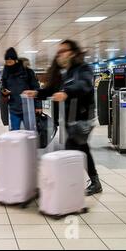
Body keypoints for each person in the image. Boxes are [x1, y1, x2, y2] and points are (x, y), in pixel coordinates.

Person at [23, 39, 102, 196]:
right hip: (69, 118)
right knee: (82, 149)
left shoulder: (83, 69)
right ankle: (93, 181)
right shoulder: (63, 72)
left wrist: (66, 92)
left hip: (82, 118)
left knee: (71, 148)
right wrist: (37, 93)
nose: (60, 55)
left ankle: (67, 186)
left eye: (63, 51)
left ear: (72, 53)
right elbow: (51, 89)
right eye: (58, 52)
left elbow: (84, 85)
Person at [0, 47, 42, 130]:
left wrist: (38, 106)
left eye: (10, 62)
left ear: (16, 60)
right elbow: (3, 88)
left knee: (30, 132)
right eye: (7, 62)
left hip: (28, 108)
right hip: (14, 109)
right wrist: (4, 93)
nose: (9, 64)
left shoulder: (27, 72)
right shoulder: (6, 73)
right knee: (15, 134)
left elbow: (36, 89)